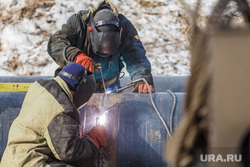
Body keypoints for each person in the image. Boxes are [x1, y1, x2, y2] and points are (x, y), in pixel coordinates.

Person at [0, 62, 107, 167]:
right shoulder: (62, 108)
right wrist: (94, 139)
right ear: (81, 90)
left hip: (12, 159)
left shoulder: (39, 88)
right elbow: (68, 151)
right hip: (31, 162)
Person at [47, 0, 155, 93]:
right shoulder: (78, 23)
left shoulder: (125, 27)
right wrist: (76, 55)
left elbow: (136, 57)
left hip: (110, 87)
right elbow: (56, 42)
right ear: (91, 30)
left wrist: (142, 79)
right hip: (76, 86)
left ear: (120, 32)